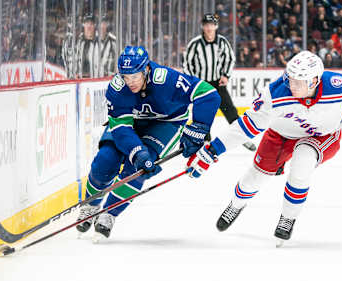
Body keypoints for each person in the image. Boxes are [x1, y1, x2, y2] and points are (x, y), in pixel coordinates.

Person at [185, 51, 342, 246]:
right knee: (253, 179)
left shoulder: (338, 87)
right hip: (280, 134)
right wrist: (212, 150)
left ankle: (287, 218)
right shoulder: (276, 93)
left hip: (323, 136)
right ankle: (236, 205)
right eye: (290, 78)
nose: (290, 83)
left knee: (302, 162)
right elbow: (246, 126)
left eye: (298, 81)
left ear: (314, 81)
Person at [76, 46, 221, 241]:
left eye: (135, 76)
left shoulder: (167, 80)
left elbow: (208, 94)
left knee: (136, 171)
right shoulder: (117, 88)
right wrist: (137, 152)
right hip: (130, 123)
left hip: (165, 124)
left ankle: (109, 213)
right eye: (126, 77)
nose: (130, 82)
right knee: (105, 160)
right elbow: (121, 129)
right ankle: (90, 206)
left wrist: (200, 127)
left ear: (146, 70)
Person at [183, 13, 256, 151]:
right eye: (206, 25)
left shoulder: (222, 41)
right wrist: (193, 80)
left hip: (218, 83)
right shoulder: (195, 44)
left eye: (211, 25)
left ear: (216, 26)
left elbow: (230, 58)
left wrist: (226, 75)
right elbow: (187, 63)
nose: (209, 28)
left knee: (231, 111)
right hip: (201, 85)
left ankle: (242, 137)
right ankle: (204, 141)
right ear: (202, 26)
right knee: (203, 113)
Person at [75, 13, 100, 78]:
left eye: (91, 24)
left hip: (95, 83)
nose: (89, 26)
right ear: (83, 25)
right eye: (87, 23)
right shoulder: (78, 41)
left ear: (95, 26)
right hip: (80, 81)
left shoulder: (100, 43)